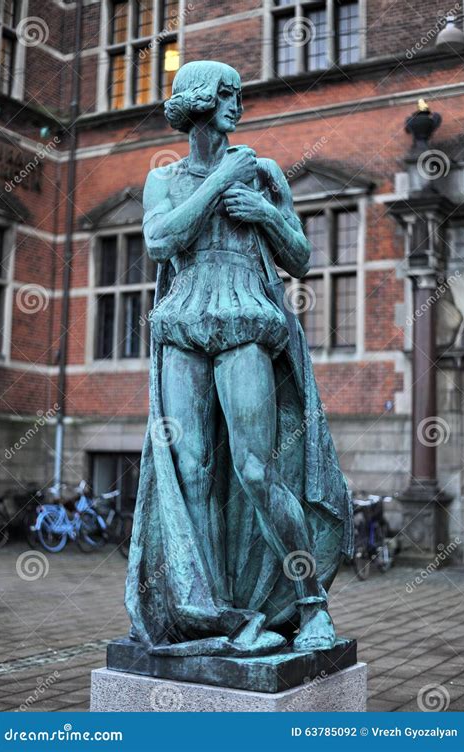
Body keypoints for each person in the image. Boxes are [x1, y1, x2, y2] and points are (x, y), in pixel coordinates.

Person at [125, 61, 352, 657]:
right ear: (199, 100)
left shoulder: (266, 172)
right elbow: (159, 242)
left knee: (255, 471)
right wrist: (220, 181)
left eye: (240, 96)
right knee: (191, 472)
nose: (238, 106)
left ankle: (311, 607)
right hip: (182, 326)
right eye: (228, 94)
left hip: (245, 320)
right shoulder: (166, 180)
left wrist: (270, 215)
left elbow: (299, 257)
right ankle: (211, 611)